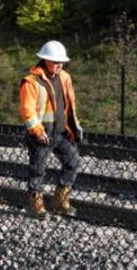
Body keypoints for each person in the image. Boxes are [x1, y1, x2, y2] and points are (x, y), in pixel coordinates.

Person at [19, 40, 84, 219]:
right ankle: (35, 205)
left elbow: (70, 105)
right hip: (41, 135)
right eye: (56, 61)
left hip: (61, 133)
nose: (59, 65)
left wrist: (74, 126)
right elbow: (27, 111)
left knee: (73, 162)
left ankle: (59, 201)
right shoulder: (31, 82)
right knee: (37, 169)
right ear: (45, 60)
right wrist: (38, 132)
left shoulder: (65, 77)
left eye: (61, 62)